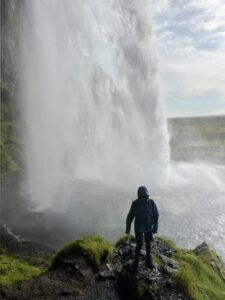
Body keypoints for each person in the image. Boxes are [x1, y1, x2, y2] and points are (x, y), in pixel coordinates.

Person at [125, 186, 159, 272]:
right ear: (139, 196)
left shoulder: (151, 203)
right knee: (139, 245)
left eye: (145, 197)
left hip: (148, 227)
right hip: (139, 227)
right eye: (142, 197)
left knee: (148, 244)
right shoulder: (135, 203)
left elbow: (156, 215)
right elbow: (130, 217)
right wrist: (128, 229)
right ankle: (136, 261)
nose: (144, 199)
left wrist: (155, 227)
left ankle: (148, 259)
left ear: (147, 196)